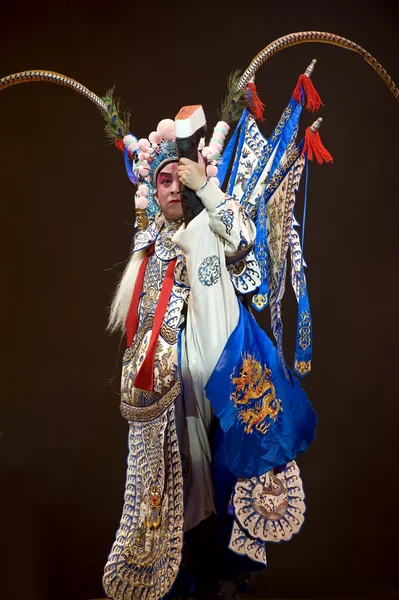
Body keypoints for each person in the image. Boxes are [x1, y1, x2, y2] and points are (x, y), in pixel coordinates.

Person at [104, 119, 262, 600]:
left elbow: (244, 239)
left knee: (224, 485)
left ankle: (227, 576)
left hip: (218, 388)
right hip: (170, 398)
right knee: (178, 495)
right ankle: (187, 573)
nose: (173, 187)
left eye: (181, 176)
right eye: (163, 180)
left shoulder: (212, 225)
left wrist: (208, 189)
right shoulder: (149, 249)